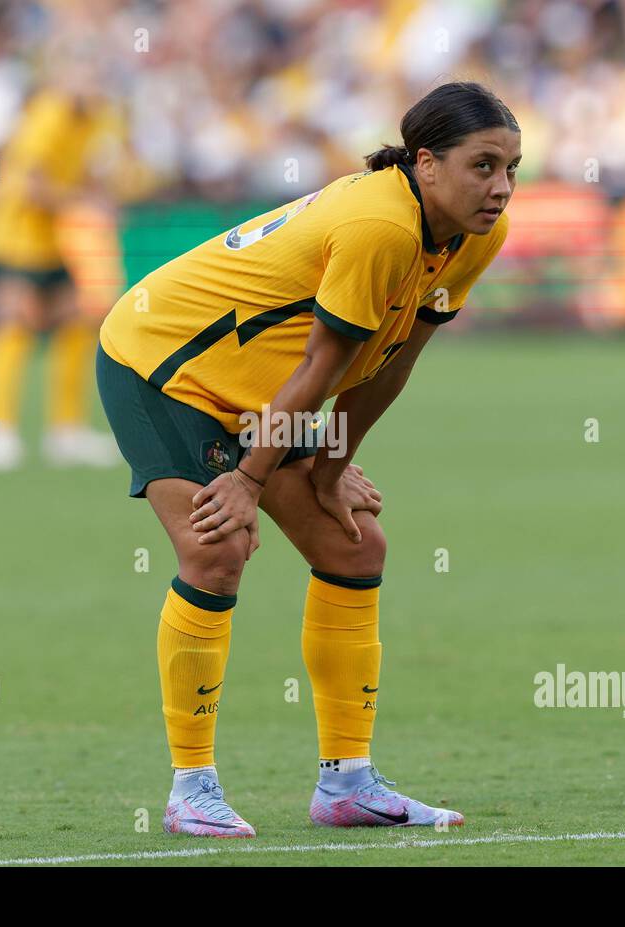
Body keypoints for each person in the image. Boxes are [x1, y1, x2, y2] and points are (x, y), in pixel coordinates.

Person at [96, 82, 519, 836]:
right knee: (216, 545)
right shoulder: (378, 227)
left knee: (351, 541)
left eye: (512, 168)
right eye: (483, 166)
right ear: (426, 163)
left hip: (267, 391)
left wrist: (327, 469)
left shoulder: (477, 234)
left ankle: (347, 785)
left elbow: (393, 361)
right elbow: (324, 366)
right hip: (163, 368)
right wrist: (250, 479)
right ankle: (190, 789)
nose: (501, 187)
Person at [0, 69, 123, 471]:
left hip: (61, 239)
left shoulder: (100, 120)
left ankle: (66, 431)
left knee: (76, 324)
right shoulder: (46, 115)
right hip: (16, 236)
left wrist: (99, 203)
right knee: (13, 326)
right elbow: (33, 189)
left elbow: (97, 175)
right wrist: (87, 205)